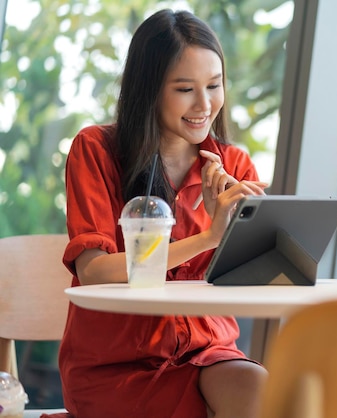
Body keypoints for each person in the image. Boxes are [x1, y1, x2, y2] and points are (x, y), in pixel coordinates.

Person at [55, 9, 268, 418]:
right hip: (118, 366)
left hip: (209, 353)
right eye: (185, 89)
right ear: (149, 89)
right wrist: (208, 238)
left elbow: (251, 279)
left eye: (215, 85)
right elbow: (94, 271)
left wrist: (268, 240)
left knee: (261, 392)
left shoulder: (233, 165)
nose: (205, 105)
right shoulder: (96, 150)